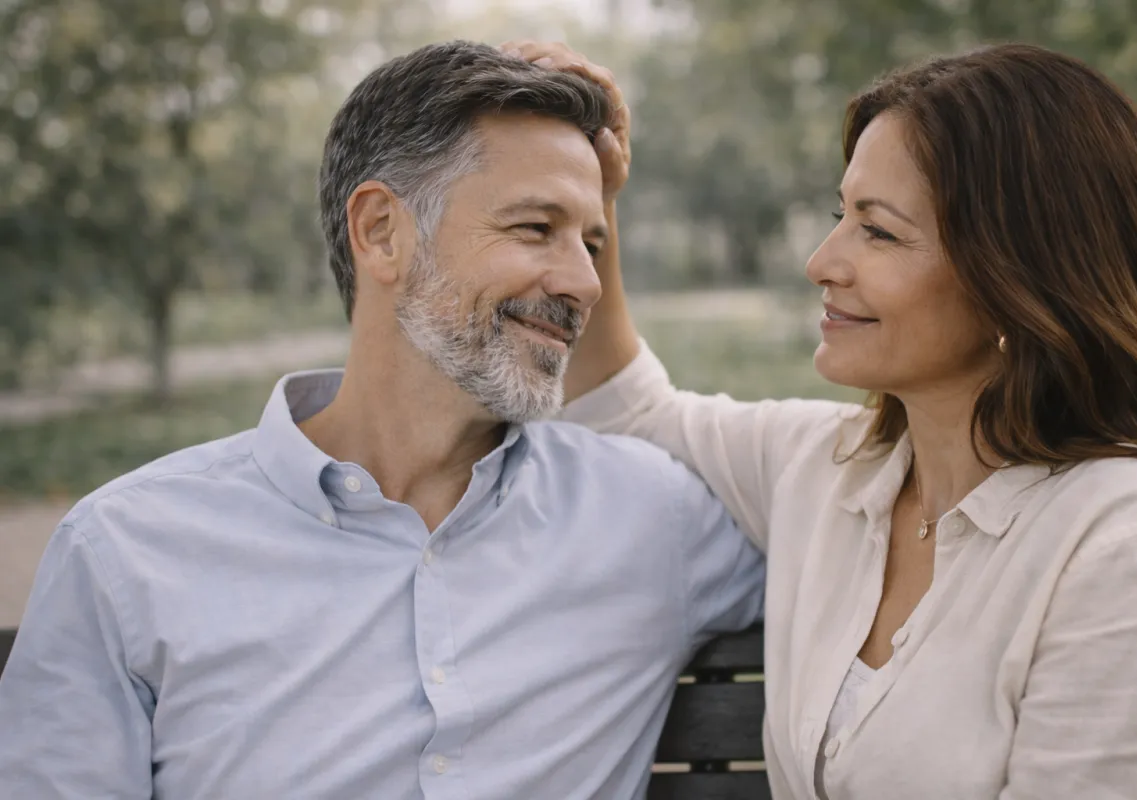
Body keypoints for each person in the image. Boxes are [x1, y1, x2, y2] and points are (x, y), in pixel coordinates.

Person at [0, 41, 765, 799]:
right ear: (380, 232)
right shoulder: (123, 554)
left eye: (592, 243)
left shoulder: (653, 518)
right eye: (536, 228)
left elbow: (837, 532)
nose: (585, 283)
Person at [502, 40, 1137, 799]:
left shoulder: (1130, 545)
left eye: (880, 231)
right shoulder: (829, 469)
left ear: (1019, 276)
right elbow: (623, 409)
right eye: (843, 215)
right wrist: (595, 203)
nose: (822, 262)